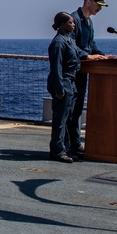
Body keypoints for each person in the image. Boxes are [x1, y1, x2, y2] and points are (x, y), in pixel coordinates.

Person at [67, 0, 111, 158]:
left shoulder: (89, 23)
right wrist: (87, 56)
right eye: (98, 5)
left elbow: (91, 45)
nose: (100, 8)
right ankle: (70, 144)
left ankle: (75, 143)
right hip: (74, 69)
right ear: (88, 2)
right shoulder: (74, 20)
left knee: (77, 109)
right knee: (71, 109)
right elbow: (70, 45)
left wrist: (103, 56)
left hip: (84, 70)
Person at [47, 12, 81, 163]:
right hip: (64, 81)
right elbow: (56, 67)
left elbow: (79, 53)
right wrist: (59, 88)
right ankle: (57, 151)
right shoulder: (59, 42)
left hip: (71, 81)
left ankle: (66, 149)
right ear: (61, 25)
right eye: (70, 22)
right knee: (60, 119)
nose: (73, 25)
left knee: (68, 118)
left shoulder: (69, 40)